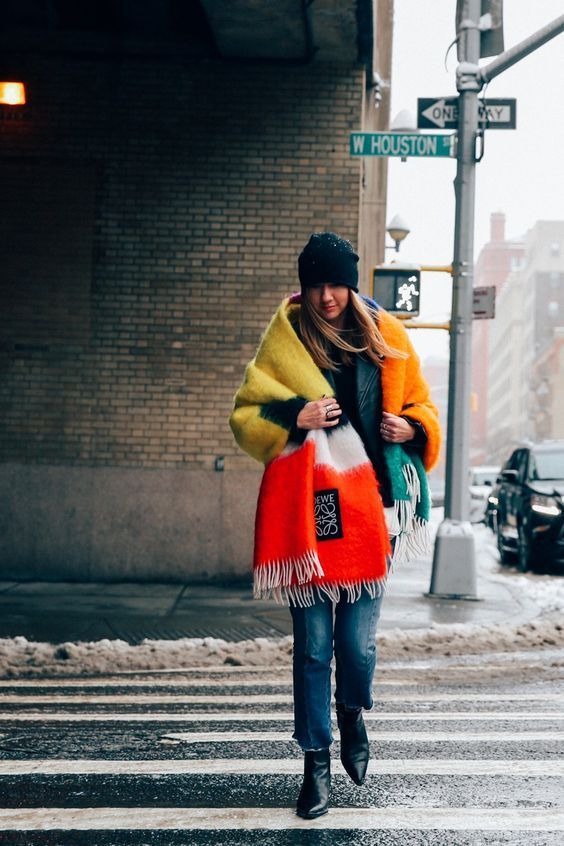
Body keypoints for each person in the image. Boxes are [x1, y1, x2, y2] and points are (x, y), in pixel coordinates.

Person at [229, 232, 441, 819]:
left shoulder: (387, 337)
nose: (326, 297)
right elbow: (246, 416)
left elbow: (422, 404)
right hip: (313, 508)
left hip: (375, 508)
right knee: (315, 646)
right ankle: (315, 764)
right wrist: (293, 415)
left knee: (357, 645)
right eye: (317, 284)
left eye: (336, 284)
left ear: (352, 283)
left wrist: (413, 429)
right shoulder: (289, 336)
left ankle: (352, 714)